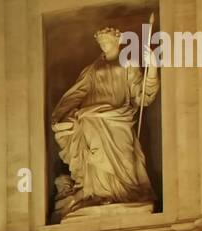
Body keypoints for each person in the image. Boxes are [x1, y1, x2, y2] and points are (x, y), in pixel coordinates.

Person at [50, 27, 158, 216]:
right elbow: (77, 93)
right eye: (101, 43)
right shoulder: (92, 69)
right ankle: (98, 195)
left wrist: (153, 69)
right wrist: (61, 113)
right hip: (91, 118)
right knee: (95, 158)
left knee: (125, 158)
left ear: (118, 42)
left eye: (107, 42)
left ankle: (126, 195)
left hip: (119, 119)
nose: (104, 46)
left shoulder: (129, 64)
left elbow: (143, 97)